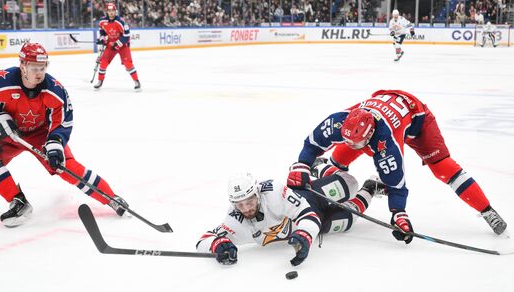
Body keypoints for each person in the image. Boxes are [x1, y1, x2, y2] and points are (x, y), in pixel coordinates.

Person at [287, 89, 507, 243]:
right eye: (347, 138)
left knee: (443, 167)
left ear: (371, 135)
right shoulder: (339, 121)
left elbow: (397, 185)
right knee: (339, 159)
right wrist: (302, 165)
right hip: (379, 112)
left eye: (358, 143)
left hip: (417, 122)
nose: (352, 145)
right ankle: (327, 169)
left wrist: (398, 214)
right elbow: (312, 143)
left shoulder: (387, 145)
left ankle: (487, 211)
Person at [0, 42, 128, 227]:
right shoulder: (0, 82)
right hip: (10, 133)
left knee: (65, 166)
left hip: (42, 134)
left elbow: (63, 121)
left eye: (43, 67)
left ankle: (110, 197)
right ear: (22, 65)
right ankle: (18, 201)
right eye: (34, 68)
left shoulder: (54, 90)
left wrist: (55, 142)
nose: (39, 73)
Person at [196, 172, 386, 266]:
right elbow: (203, 240)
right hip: (319, 225)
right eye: (240, 205)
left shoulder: (273, 192)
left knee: (349, 183)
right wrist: (218, 245)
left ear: (257, 193)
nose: (246, 209)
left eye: (250, 201)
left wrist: (304, 235)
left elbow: (307, 214)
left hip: (312, 197)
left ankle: (320, 167)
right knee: (349, 219)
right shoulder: (235, 220)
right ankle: (370, 187)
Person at [94, 3, 141, 91]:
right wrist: (102, 39)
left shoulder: (121, 21)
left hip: (123, 45)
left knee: (128, 63)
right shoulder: (102, 22)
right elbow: (102, 33)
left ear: (115, 11)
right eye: (109, 11)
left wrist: (117, 43)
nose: (111, 13)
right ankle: (100, 81)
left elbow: (127, 35)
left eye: (113, 11)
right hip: (111, 44)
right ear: (107, 12)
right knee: (103, 62)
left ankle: (136, 81)